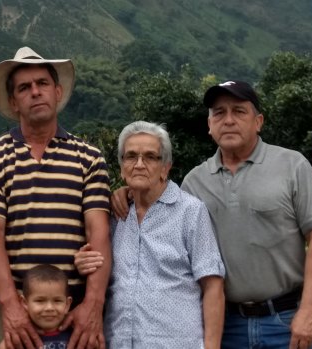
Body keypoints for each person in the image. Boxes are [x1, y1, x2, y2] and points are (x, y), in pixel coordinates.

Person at [111, 81, 312, 349]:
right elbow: (158, 195)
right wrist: (126, 192)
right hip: (226, 325)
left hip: (285, 319)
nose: (229, 120)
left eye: (239, 111)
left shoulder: (291, 166)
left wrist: (311, 310)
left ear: (258, 121)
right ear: (209, 125)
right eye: (219, 113)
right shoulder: (195, 181)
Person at [0, 46, 112, 349]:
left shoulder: (88, 157)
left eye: (42, 84)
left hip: (72, 309)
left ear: (57, 91)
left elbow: (98, 233)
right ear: (13, 101)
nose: (35, 92)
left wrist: (94, 304)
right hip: (5, 304)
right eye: (24, 87)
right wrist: (10, 305)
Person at [77, 121, 226, 348]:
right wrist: (85, 260)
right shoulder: (115, 215)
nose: (139, 164)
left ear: (165, 167)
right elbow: (101, 266)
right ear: (121, 166)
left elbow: (212, 285)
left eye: (150, 157)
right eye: (131, 156)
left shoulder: (190, 211)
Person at [0, 264, 74, 349]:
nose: (49, 308)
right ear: (25, 303)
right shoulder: (21, 335)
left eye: (57, 301)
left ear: (67, 304)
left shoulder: (76, 336)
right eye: (40, 301)